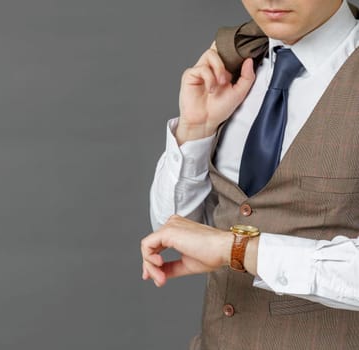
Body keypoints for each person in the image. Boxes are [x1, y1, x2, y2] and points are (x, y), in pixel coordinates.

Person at [140, 1, 359, 349]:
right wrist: (196, 130)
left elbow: (220, 247)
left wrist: (239, 250)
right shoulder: (235, 61)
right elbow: (176, 230)